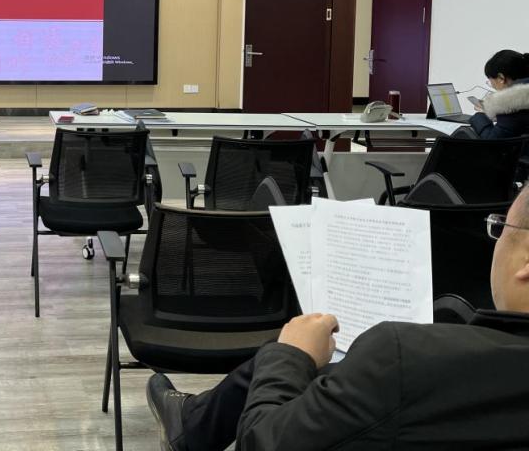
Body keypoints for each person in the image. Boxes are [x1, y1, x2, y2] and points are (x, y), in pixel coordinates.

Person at [146, 187, 529, 450]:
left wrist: (290, 356)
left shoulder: (403, 358)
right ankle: (193, 422)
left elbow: (263, 442)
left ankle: (194, 426)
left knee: (291, 353)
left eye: (501, 229)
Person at [469, 49, 529, 139]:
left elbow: (493, 141)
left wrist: (481, 116)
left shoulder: (512, 102)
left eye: (491, 82)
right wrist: (499, 116)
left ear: (501, 78)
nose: (493, 87)